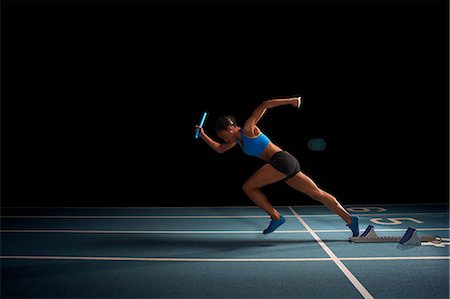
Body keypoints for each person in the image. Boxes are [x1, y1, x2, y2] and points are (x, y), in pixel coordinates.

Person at [195, 96, 359, 236]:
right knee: (317, 193)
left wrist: (291, 101)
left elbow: (265, 105)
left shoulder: (247, 129)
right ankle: (350, 219)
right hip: (286, 163)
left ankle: (276, 217)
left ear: (230, 129)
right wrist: (203, 135)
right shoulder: (238, 141)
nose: (224, 140)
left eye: (223, 136)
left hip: (280, 161)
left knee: (249, 187)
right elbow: (220, 149)